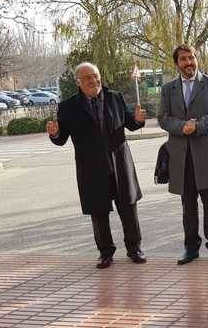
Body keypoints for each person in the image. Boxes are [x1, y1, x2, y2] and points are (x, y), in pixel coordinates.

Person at [46, 62, 148, 269]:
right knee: (98, 212)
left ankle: (134, 248)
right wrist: (54, 133)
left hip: (119, 164)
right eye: (88, 78)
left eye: (96, 76)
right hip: (91, 168)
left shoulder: (114, 98)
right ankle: (105, 252)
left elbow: (130, 122)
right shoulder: (69, 107)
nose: (94, 81)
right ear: (78, 82)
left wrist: (138, 120)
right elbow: (61, 138)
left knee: (128, 208)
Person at [158, 44, 208, 265]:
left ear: (197, 58)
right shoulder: (168, 89)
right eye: (183, 59)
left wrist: (196, 126)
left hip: (206, 152)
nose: (188, 62)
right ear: (176, 63)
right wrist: (181, 127)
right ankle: (191, 248)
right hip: (181, 156)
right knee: (188, 205)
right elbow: (163, 118)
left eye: (191, 58)